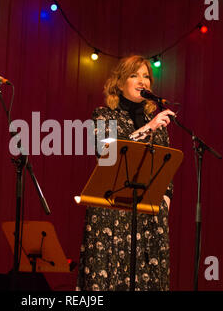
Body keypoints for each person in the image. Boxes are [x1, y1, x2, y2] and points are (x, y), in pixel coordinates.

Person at [76, 55, 175, 291]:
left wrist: (167, 197)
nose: (142, 81)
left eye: (146, 76)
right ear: (119, 83)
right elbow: (107, 153)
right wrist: (145, 130)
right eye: (134, 75)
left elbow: (165, 165)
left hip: (148, 216)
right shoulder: (102, 115)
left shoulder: (156, 121)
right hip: (111, 215)